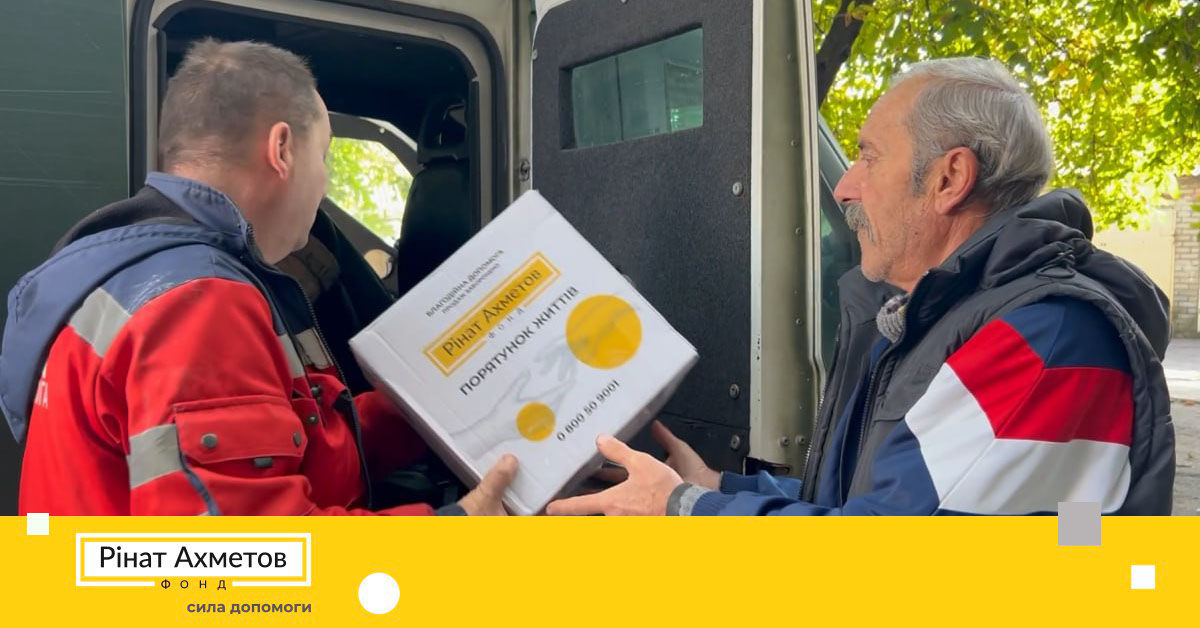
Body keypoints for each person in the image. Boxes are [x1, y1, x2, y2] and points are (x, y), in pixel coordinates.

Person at [547, 57, 1175, 516]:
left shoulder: (1044, 340)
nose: (845, 187)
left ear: (950, 178)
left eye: (870, 157)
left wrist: (682, 508)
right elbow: (863, 500)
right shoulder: (937, 320)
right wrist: (713, 485)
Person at [0, 39, 516, 516]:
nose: (324, 182)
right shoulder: (198, 304)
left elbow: (291, 443)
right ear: (282, 149)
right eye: (324, 156)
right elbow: (249, 566)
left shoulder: (129, 274)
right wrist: (462, 524)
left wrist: (427, 404)